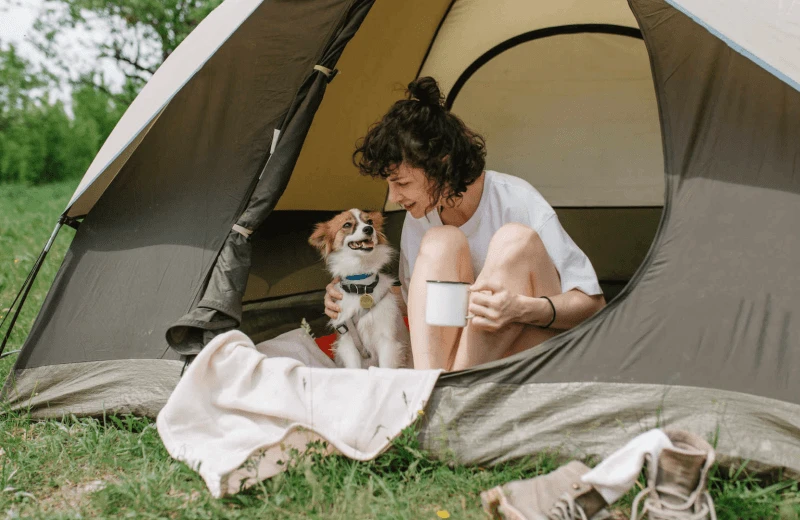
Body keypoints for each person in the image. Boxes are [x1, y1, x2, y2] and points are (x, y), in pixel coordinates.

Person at [325, 77, 606, 371]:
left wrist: (522, 308)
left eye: (402, 183)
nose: (394, 197)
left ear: (441, 164)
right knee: (441, 240)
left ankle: (441, 386)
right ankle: (441, 383)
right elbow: (415, 305)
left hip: (532, 351)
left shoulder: (516, 200)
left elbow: (593, 306)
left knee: (514, 239)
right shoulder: (420, 216)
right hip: (466, 362)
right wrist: (353, 291)